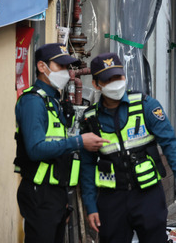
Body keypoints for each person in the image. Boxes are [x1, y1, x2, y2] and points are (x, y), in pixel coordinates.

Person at [79, 53, 176, 242]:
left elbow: (169, 142)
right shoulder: (91, 119)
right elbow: (87, 165)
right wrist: (90, 205)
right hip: (111, 199)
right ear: (96, 84)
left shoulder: (146, 106)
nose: (115, 83)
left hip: (148, 195)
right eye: (108, 79)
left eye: (118, 77)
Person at [14, 43, 108, 242]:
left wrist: (63, 198)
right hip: (40, 194)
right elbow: (35, 149)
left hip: (55, 193)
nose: (66, 73)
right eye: (61, 67)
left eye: (68, 68)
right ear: (42, 67)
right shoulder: (33, 102)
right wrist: (79, 142)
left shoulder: (53, 101)